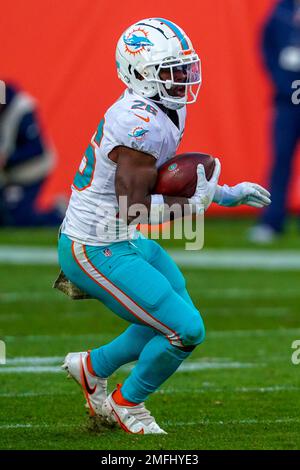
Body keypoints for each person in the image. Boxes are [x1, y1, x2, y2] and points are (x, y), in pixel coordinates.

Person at [58, 18, 271, 434]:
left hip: (120, 237)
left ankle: (91, 367)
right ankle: (126, 402)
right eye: (171, 71)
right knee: (186, 329)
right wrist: (195, 206)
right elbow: (133, 207)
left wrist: (226, 193)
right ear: (139, 75)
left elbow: (156, 182)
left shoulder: (164, 108)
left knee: (176, 310)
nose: (184, 79)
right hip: (96, 244)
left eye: (185, 68)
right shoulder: (138, 122)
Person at [249, 0, 300, 243]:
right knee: (281, 161)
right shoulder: (282, 10)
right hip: (287, 101)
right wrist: (282, 82)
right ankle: (272, 220)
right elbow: (267, 47)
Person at [0, 82, 65, 226]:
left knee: (17, 218)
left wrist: (8, 159)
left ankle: (59, 214)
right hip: (8, 173)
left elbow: (36, 148)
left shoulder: (22, 109)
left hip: (32, 170)